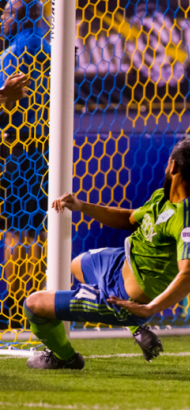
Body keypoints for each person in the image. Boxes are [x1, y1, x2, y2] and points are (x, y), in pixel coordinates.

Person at [23, 138, 190, 369]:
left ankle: (66, 358)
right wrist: (82, 206)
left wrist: (149, 309)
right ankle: (137, 329)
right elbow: (130, 219)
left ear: (173, 166)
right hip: (119, 263)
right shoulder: (164, 197)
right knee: (76, 265)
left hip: (123, 294)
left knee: (33, 304)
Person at [0, 0, 50, 329]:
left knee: (17, 232)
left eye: (6, 9)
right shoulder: (47, 47)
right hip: (44, 148)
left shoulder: (16, 51)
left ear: (20, 13)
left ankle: (14, 306)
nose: (3, 16)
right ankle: (33, 301)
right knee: (37, 230)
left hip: (18, 149)